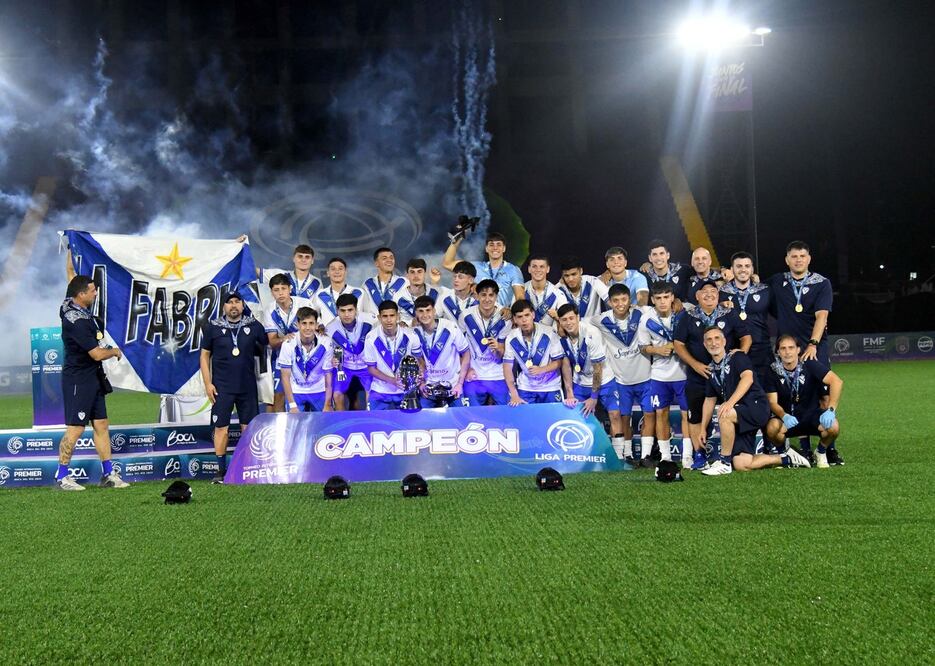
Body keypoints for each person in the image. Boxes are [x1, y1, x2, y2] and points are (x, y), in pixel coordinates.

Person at [698, 327, 811, 475]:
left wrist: (730, 403)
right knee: (741, 463)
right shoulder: (712, 369)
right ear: (705, 345)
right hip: (739, 415)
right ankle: (786, 459)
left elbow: (748, 378)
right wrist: (702, 428)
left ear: (724, 341)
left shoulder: (737, 357)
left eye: (717, 338)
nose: (713, 343)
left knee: (724, 413)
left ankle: (724, 462)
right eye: (709, 340)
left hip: (756, 407)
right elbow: (709, 400)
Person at [53, 275, 129, 490]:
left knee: (101, 424)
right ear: (81, 294)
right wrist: (114, 351)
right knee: (76, 429)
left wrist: (71, 245)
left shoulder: (70, 304)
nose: (96, 293)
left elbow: (70, 275)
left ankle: (108, 474)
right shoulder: (76, 322)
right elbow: (96, 354)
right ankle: (61, 477)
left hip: (93, 377)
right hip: (78, 379)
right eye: (92, 290)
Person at [674, 279, 751, 464]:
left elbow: (746, 337)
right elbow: (678, 344)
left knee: (735, 409)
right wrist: (694, 364)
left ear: (718, 296)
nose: (709, 294)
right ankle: (699, 454)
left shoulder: (729, 313)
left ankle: (738, 451)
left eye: (713, 292)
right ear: (697, 296)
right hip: (699, 375)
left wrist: (740, 356)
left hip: (726, 377)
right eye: (704, 292)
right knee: (696, 414)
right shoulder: (688, 315)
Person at [200, 291, 269, 483]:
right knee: (221, 428)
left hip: (247, 386)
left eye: (237, 302)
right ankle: (220, 471)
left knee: (248, 428)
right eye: (229, 302)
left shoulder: (253, 325)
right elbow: (204, 356)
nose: (233, 305)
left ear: (242, 304)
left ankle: (248, 468)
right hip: (222, 387)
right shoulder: (213, 327)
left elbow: (268, 343)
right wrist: (208, 383)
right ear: (223, 306)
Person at [593, 283, 655, 466]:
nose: (620, 304)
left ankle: (645, 456)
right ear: (610, 302)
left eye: (624, 299)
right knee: (623, 418)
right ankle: (626, 456)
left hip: (646, 377)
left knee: (649, 415)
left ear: (630, 300)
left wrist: (677, 303)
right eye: (616, 300)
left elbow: (664, 307)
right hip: (621, 380)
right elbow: (577, 323)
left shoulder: (643, 312)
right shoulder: (599, 320)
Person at [557, 303, 629, 457]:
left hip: (604, 380)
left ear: (578, 317)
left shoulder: (591, 333)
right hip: (580, 382)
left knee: (615, 415)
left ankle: (618, 456)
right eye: (564, 320)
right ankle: (588, 454)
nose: (568, 322)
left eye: (571, 318)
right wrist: (569, 392)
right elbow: (566, 367)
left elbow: (598, 368)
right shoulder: (561, 339)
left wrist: (594, 397)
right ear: (560, 322)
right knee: (580, 418)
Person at [764, 335, 844, 468]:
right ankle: (786, 453)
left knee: (834, 427)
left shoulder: (809, 364)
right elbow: (772, 402)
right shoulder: (772, 371)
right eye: (783, 348)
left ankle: (821, 452)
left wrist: (831, 409)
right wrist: (784, 415)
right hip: (788, 420)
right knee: (771, 429)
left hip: (811, 418)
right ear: (777, 352)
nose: (787, 352)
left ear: (798, 350)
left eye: (791, 348)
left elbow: (836, 381)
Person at [638, 282, 691, 468]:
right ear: (652, 300)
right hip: (659, 375)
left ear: (672, 298)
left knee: (687, 414)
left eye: (666, 297)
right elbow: (642, 347)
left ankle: (687, 457)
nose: (662, 302)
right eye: (658, 298)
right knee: (660, 413)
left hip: (684, 373)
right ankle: (665, 457)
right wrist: (658, 350)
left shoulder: (684, 313)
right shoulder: (646, 319)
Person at [767, 240, 833, 366]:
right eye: (794, 256)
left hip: (814, 346)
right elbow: (753, 290)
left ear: (809, 259)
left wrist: (813, 344)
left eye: (802, 256)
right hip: (786, 348)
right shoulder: (777, 281)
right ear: (787, 260)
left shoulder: (822, 283)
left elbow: (822, 316)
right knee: (784, 385)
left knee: (821, 384)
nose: (798, 260)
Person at [718, 251, 772, 385]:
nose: (743, 269)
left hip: (761, 349)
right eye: (739, 266)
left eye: (747, 266)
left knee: (765, 391)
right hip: (733, 350)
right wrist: (720, 305)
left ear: (752, 269)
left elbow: (780, 312)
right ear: (732, 269)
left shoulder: (765, 290)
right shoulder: (722, 292)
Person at [263, 273, 313, 412]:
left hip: (306, 356)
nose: (280, 293)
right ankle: (278, 430)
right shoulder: (269, 310)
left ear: (290, 289)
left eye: (283, 288)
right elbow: (272, 342)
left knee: (307, 394)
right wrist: (284, 339)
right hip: (281, 356)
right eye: (276, 290)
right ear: (271, 292)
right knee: (277, 395)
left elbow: (316, 329)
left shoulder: (304, 303)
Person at [502, 300, 568, 405]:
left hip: (550, 386)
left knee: (552, 420)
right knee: (526, 420)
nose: (524, 320)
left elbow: (559, 362)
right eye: (519, 317)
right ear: (514, 319)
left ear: (533, 315)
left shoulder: (549, 332)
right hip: (526, 386)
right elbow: (507, 366)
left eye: (527, 315)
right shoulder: (511, 337)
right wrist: (514, 393)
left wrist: (542, 369)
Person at [458, 279, 512, 406]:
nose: (487, 299)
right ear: (477, 296)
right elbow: (459, 348)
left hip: (498, 375)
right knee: (471, 415)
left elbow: (502, 354)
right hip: (474, 374)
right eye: (483, 295)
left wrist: (498, 348)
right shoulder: (466, 316)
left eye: (491, 295)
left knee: (506, 414)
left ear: (496, 296)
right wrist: (467, 369)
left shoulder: (505, 318)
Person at [363, 300, 424, 410]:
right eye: (385, 316)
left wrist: (420, 373)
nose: (389, 320)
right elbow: (371, 369)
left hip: (406, 390)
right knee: (374, 425)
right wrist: (392, 380)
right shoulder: (370, 338)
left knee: (408, 426)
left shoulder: (411, 335)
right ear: (379, 317)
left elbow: (420, 361)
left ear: (398, 316)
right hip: (380, 390)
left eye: (392, 315)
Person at [412, 296, 471, 407]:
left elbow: (466, 353)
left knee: (461, 421)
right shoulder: (414, 333)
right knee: (423, 422)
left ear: (434, 311)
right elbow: (418, 362)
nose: (425, 315)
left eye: (428, 310)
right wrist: (421, 383)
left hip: (453, 387)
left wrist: (460, 383)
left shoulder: (450, 327)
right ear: (416, 314)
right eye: (421, 311)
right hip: (429, 389)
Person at [443, 230, 524, 307]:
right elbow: (448, 263)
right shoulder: (476, 267)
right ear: (486, 248)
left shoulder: (513, 270)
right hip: (477, 317)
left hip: (502, 318)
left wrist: (514, 313)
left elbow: (520, 298)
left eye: (499, 245)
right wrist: (457, 238)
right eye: (491, 245)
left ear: (504, 248)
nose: (495, 248)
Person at [325, 293, 376, 411]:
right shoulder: (330, 328)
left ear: (356, 310)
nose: (346, 314)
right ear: (337, 311)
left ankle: (371, 422)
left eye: (350, 310)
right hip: (344, 368)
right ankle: (341, 424)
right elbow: (329, 350)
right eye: (342, 311)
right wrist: (332, 359)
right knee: (337, 395)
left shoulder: (371, 320)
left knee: (372, 393)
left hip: (366, 366)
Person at [278, 307, 334, 413]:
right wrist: (292, 405)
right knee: (295, 427)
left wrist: (328, 403)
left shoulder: (326, 342)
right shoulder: (288, 344)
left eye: (311, 323)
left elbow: (328, 375)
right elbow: (285, 376)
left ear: (317, 324)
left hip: (319, 390)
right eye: (304, 323)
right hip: (296, 391)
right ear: (297, 324)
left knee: (323, 426)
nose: (308, 327)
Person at [311, 257, 366, 327]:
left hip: (355, 336)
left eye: (340, 269)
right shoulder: (320, 294)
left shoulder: (359, 293)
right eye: (333, 269)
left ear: (346, 272)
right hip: (327, 336)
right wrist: (319, 324)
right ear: (328, 273)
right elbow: (312, 315)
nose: (337, 272)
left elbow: (367, 315)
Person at [255, 243, 321, 300]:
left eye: (307, 257)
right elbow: (256, 271)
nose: (303, 260)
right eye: (300, 256)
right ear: (293, 259)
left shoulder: (317, 283)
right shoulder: (281, 275)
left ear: (312, 260)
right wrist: (244, 247)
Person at [642, 239, 693, 304]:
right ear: (650, 258)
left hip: (680, 312)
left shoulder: (683, 270)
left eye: (661, 253)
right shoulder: (644, 276)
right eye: (655, 254)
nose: (658, 258)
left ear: (668, 255)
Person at [523, 255, 568, 328]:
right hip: (524, 336)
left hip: (549, 337)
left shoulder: (557, 293)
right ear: (529, 269)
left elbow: (567, 320)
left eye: (542, 267)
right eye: (534, 266)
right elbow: (514, 316)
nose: (538, 270)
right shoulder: (521, 290)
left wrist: (557, 316)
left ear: (548, 269)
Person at [395, 258, 443, 324]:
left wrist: (435, 283)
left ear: (425, 274)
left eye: (419, 271)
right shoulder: (398, 297)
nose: (416, 276)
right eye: (412, 272)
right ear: (407, 275)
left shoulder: (437, 293)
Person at [362, 247, 409, 314]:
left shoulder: (404, 282)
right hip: (374, 323)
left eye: (391, 258)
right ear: (376, 263)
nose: (389, 260)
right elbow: (363, 310)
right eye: (384, 258)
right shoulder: (367, 284)